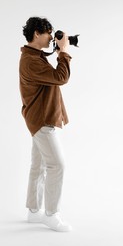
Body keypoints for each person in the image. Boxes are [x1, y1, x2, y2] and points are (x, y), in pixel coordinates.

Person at [19, 17, 72, 232]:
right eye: (48, 33)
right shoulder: (31, 61)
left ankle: (33, 211)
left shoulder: (33, 56)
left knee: (39, 166)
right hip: (41, 119)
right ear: (36, 34)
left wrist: (58, 51)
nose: (51, 37)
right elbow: (61, 77)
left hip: (38, 117)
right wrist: (64, 52)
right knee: (57, 165)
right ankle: (51, 214)